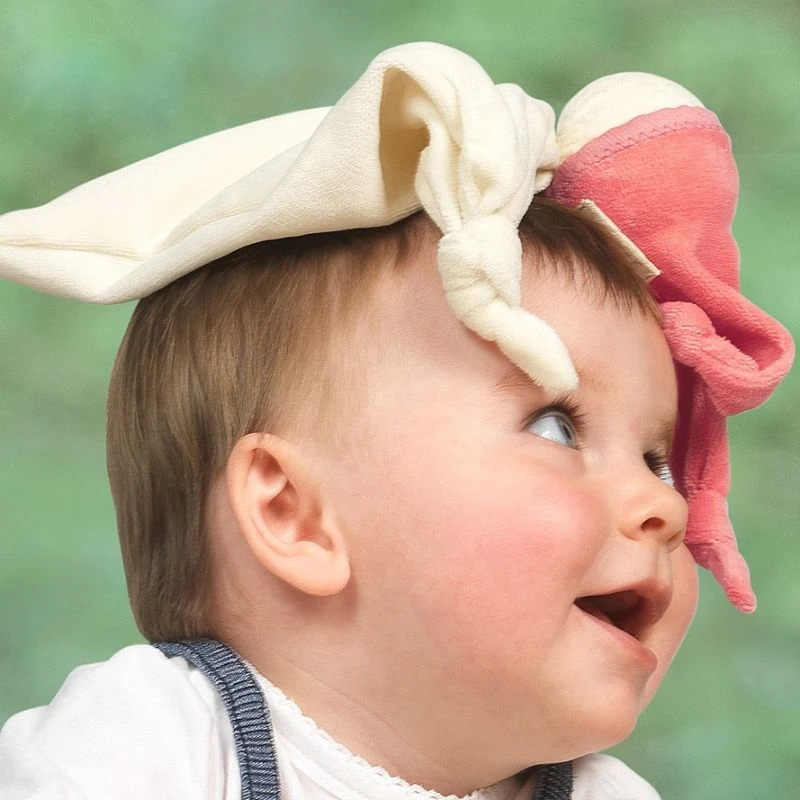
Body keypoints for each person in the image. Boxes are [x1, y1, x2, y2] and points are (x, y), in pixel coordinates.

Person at [0, 43, 793, 800]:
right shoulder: (140, 750)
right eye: (556, 426)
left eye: (656, 459)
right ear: (293, 514)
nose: (665, 507)